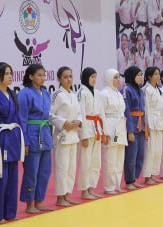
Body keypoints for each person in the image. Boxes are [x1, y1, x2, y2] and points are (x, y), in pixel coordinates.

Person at [0, 61, 26, 223]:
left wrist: (23, 143)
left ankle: (10, 213)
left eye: (10, 73)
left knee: (13, 179)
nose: (10, 76)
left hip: (13, 139)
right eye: (6, 73)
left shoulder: (12, 93)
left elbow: (18, 119)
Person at [19, 63, 54, 215]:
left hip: (45, 133)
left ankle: (39, 201)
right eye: (39, 75)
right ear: (31, 76)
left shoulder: (45, 93)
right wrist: (25, 142)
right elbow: (22, 119)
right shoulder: (24, 94)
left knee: (45, 171)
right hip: (31, 134)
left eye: (43, 75)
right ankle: (29, 203)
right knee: (31, 171)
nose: (42, 78)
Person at [50, 66, 83, 207]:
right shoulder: (57, 95)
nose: (68, 79)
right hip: (62, 135)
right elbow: (50, 114)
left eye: (70, 76)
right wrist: (63, 123)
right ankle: (60, 197)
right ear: (59, 79)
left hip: (73, 135)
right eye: (65, 77)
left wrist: (79, 121)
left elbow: (79, 113)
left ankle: (67, 194)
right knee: (62, 167)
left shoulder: (74, 95)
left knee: (71, 167)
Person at [76, 67, 103, 200]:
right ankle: (84, 190)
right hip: (87, 126)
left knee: (96, 162)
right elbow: (80, 113)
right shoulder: (81, 92)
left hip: (96, 127)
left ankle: (91, 188)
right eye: (92, 77)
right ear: (86, 78)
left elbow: (101, 113)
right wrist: (83, 135)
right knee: (85, 161)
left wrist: (104, 132)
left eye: (95, 77)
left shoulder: (97, 93)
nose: (94, 79)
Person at [99, 68, 128, 195]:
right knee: (110, 159)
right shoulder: (104, 94)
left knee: (119, 158)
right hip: (110, 127)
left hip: (120, 127)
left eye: (118, 77)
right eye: (115, 77)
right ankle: (109, 186)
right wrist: (105, 132)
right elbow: (101, 114)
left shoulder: (119, 94)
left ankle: (117, 184)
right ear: (108, 78)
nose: (118, 80)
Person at [122, 65, 147, 189]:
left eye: (141, 75)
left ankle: (134, 178)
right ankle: (129, 180)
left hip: (141, 126)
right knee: (131, 156)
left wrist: (145, 127)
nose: (140, 77)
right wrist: (130, 130)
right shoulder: (127, 90)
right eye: (138, 75)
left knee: (140, 155)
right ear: (131, 76)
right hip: (132, 125)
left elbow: (144, 109)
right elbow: (126, 111)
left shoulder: (141, 91)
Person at [142, 66, 163, 185]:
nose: (158, 76)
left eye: (158, 74)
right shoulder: (146, 90)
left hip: (159, 122)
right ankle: (147, 176)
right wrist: (147, 126)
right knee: (150, 150)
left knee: (157, 150)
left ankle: (153, 174)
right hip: (151, 122)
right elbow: (146, 109)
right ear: (149, 76)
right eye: (155, 74)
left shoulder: (158, 90)